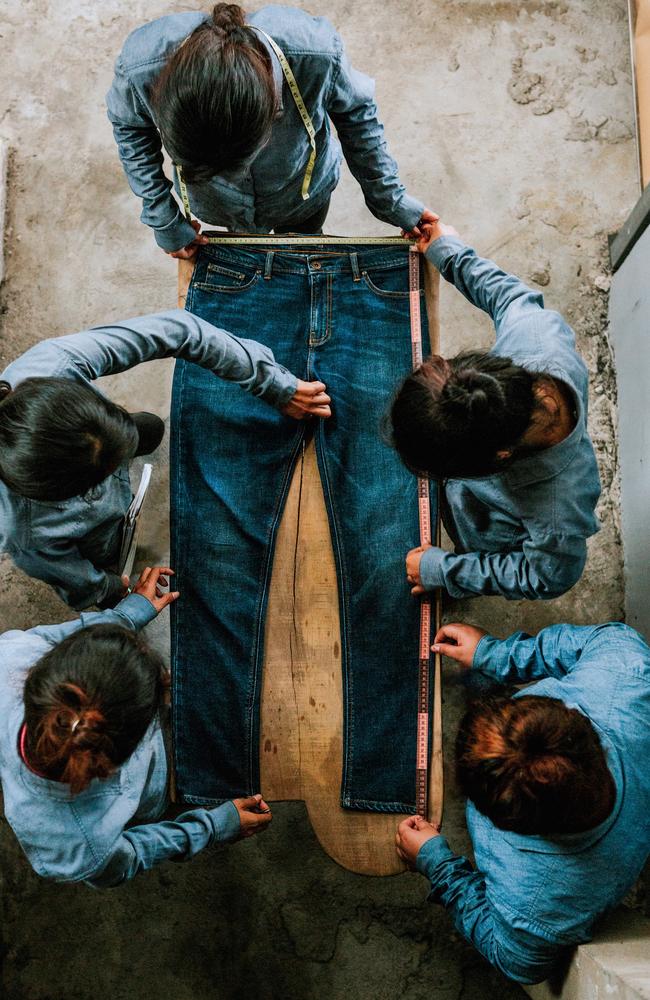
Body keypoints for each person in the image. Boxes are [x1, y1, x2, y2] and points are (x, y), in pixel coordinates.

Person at [0, 309, 330, 610]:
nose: (118, 466)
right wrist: (116, 591)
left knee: (150, 429)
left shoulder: (51, 364)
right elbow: (77, 581)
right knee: (108, 552)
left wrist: (274, 384)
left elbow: (181, 329)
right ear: (54, 490)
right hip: (91, 535)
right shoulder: (25, 532)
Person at [395, 619, 650, 984]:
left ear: (512, 826)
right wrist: (496, 655)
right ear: (575, 716)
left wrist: (440, 866)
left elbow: (513, 960)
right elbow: (600, 639)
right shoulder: (628, 673)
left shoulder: (536, 903)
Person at [0, 565, 272, 887]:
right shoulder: (80, 848)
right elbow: (134, 853)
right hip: (157, 788)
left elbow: (53, 638)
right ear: (137, 740)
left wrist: (126, 616)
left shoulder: (9, 658)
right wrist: (210, 827)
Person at [106, 3, 436, 257]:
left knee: (305, 260)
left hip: (301, 194)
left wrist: (391, 201)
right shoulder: (140, 69)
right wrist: (164, 218)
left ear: (272, 110)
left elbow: (357, 115)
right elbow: (129, 128)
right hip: (213, 204)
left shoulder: (316, 53)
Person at [390, 219, 601, 601]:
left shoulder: (556, 513)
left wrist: (449, 571)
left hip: (489, 530)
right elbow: (507, 296)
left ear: (499, 458)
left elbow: (548, 577)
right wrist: (448, 252)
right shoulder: (533, 334)